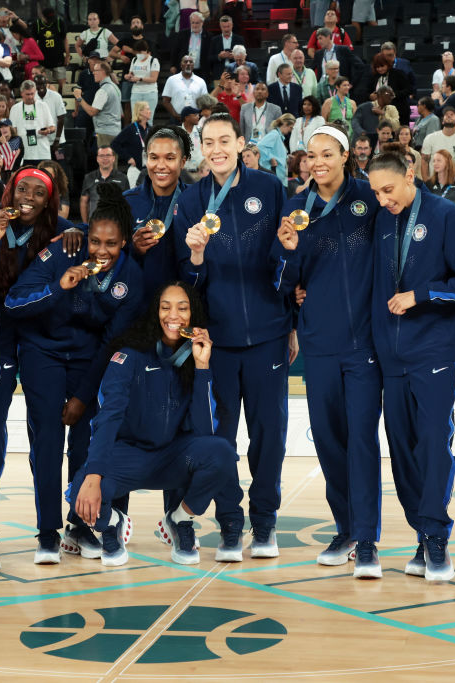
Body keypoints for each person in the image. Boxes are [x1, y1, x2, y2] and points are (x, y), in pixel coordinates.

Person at [366, 150, 455, 583]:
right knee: (401, 451)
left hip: (436, 352)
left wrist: (422, 295)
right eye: (376, 193)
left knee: (433, 445)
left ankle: (437, 538)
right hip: (390, 356)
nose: (383, 200)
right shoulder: (381, 219)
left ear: (409, 174)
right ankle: (422, 532)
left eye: (388, 189)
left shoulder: (444, 215)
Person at [3, 182, 144, 563]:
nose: (101, 251)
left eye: (112, 244)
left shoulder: (132, 279)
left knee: (86, 445)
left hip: (88, 358)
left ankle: (79, 526)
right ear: (86, 235)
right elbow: (14, 302)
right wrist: (59, 286)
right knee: (48, 440)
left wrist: (83, 395)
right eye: (95, 241)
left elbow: (112, 344)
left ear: (125, 243)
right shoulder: (64, 248)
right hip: (42, 352)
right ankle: (47, 533)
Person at [173, 113, 292, 561]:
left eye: (226, 140)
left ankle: (264, 523)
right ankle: (228, 525)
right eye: (209, 142)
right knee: (220, 439)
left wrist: (292, 321)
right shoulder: (190, 199)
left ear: (242, 143)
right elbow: (185, 280)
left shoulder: (268, 188)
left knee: (269, 435)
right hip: (216, 341)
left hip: (267, 334)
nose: (218, 148)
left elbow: (285, 257)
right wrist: (197, 256)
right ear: (201, 148)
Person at [270, 123, 383, 577]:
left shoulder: (368, 198)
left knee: (361, 440)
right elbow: (283, 280)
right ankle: (346, 528)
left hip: (364, 345)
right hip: (318, 343)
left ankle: (369, 539)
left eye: (327, 154)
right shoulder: (296, 207)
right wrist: (290, 252)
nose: (317, 162)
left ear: (345, 156)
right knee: (330, 442)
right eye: (310, 155)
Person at [0, 166, 78, 557]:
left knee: (45, 434)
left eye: (37, 192)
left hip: (42, 340)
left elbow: (100, 243)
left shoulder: (61, 227)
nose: (27, 197)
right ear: (9, 190)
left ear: (49, 199)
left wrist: (81, 232)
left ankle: (50, 529)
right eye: (20, 188)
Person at [71, 282, 237, 566]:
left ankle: (179, 519)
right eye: (166, 307)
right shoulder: (129, 356)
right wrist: (94, 474)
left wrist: (202, 368)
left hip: (171, 457)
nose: (174, 315)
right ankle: (112, 523)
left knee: (221, 452)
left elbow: (205, 432)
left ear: (192, 315)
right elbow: (108, 417)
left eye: (182, 308)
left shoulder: (195, 357)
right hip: (128, 455)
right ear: (154, 312)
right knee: (80, 491)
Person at [126, 126, 190, 298]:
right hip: (138, 304)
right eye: (154, 158)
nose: (161, 166)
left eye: (170, 158)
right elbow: (110, 252)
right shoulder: (126, 202)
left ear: (182, 162)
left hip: (183, 306)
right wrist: (134, 249)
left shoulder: (196, 201)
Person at [77, 62, 123, 148]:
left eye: (96, 70)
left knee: (105, 160)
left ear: (103, 72)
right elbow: (121, 113)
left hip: (105, 133)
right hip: (115, 131)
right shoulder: (115, 87)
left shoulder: (103, 90)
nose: (93, 73)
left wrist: (79, 98)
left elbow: (92, 112)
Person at [81, 147, 130, 219]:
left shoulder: (123, 178)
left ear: (113, 158)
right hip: (95, 224)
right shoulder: (89, 177)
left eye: (108, 155)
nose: (105, 158)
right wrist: (86, 225)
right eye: (101, 156)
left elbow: (127, 202)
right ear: (97, 159)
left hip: (116, 224)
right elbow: (84, 202)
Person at [161, 56, 208, 125]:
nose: (188, 64)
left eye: (191, 62)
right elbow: (165, 101)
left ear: (193, 65)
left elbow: (205, 103)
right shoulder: (172, 80)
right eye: (185, 62)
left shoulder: (201, 81)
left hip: (195, 120)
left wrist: (198, 116)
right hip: (176, 119)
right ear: (181, 65)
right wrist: (176, 115)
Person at [421, 106, 455, 180]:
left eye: (452, 114)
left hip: (454, 182)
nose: (449, 116)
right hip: (434, 182)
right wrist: (426, 182)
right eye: (446, 115)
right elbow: (424, 161)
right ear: (442, 121)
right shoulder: (430, 138)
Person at [126, 40, 160, 126]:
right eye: (137, 52)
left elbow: (154, 79)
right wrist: (128, 76)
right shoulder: (134, 60)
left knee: (148, 120)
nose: (139, 54)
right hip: (136, 92)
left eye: (140, 52)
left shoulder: (153, 60)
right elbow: (131, 74)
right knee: (135, 119)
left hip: (149, 92)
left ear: (146, 50)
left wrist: (140, 78)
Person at [111, 101, 152, 172]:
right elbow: (114, 144)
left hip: (149, 168)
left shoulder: (150, 129)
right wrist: (128, 158)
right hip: (135, 169)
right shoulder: (131, 129)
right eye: (148, 109)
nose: (150, 111)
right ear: (141, 112)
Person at [257, 114, 295, 185]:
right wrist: (270, 158)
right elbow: (260, 147)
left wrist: (287, 157)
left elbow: (277, 154)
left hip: (279, 177)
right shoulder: (275, 134)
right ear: (285, 124)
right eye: (291, 127)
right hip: (274, 175)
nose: (291, 130)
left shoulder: (279, 136)